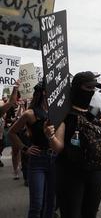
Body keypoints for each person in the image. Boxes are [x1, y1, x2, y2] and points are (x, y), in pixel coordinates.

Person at [56, 71, 101, 218]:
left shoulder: (93, 112)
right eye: (88, 88)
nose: (91, 92)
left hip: (96, 173)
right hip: (71, 174)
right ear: (77, 88)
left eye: (93, 89)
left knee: (90, 214)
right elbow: (58, 147)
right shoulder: (63, 114)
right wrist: (51, 135)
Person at [9, 82, 63, 218]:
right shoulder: (30, 114)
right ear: (45, 92)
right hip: (37, 161)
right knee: (37, 205)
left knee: (51, 203)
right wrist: (25, 148)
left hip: (55, 160)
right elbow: (12, 132)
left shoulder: (58, 111)